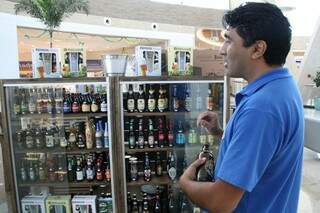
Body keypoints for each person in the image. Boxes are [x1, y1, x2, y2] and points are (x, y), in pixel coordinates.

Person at [179, 2, 304, 213]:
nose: (221, 50)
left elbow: (220, 202)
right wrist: (221, 134)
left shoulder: (261, 108)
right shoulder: (282, 88)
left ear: (257, 49)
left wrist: (184, 182)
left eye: (229, 40)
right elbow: (265, 153)